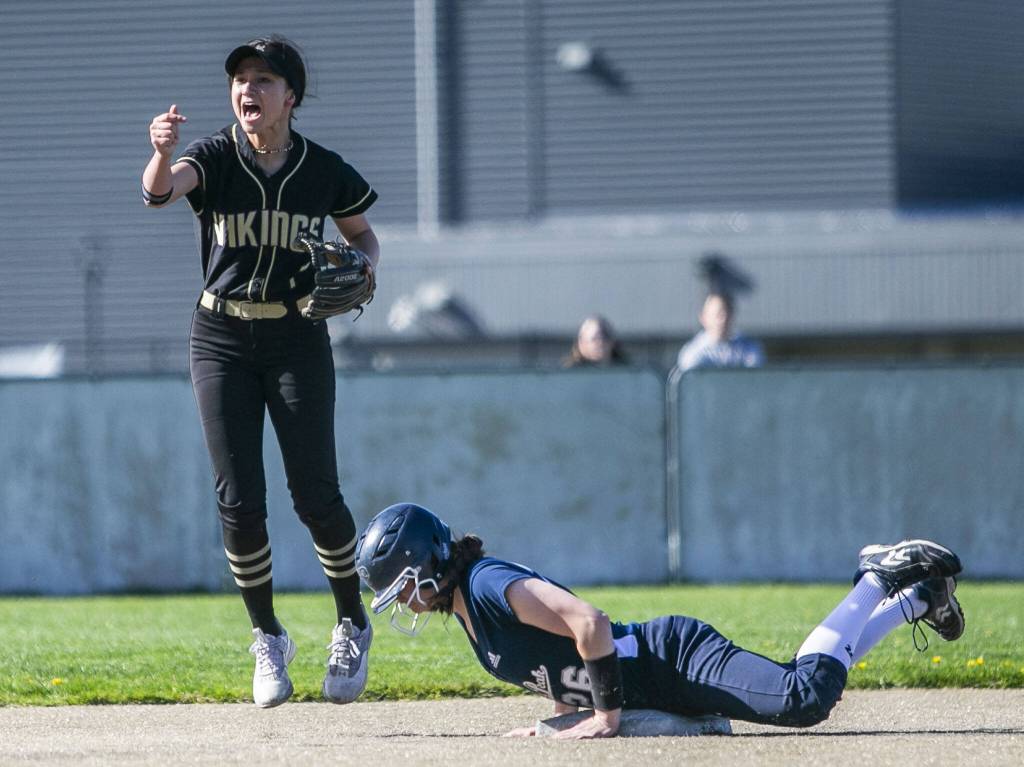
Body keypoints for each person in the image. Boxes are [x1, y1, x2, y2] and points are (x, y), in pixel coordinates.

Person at [142, 35, 378, 708]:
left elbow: (361, 232)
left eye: (264, 79)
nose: (249, 89)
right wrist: (160, 153)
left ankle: (350, 619)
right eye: (241, 78)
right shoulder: (214, 157)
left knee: (316, 496)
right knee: (239, 502)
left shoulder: (320, 168)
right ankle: (268, 636)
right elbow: (160, 191)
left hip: (297, 334)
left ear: (290, 97)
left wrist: (367, 264)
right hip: (218, 334)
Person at [355, 503, 965, 739]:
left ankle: (877, 578)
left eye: (403, 586)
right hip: (655, 673)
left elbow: (589, 623)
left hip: (672, 656)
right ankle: (917, 601)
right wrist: (556, 722)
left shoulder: (486, 585)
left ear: (429, 562)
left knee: (803, 698)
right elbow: (561, 665)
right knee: (800, 688)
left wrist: (604, 718)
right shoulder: (470, 613)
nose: (405, 601)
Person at [677, 291, 764, 372]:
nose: (723, 319)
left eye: (726, 313)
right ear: (703, 318)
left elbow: (755, 380)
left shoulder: (749, 348)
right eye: (717, 315)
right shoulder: (693, 353)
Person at [563, 315, 628, 368]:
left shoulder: (624, 369)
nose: (600, 343)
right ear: (582, 343)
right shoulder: (572, 372)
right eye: (595, 338)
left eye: (605, 337)